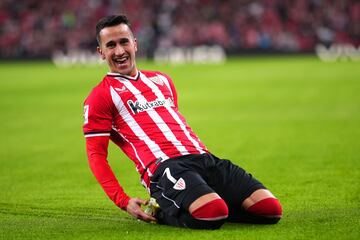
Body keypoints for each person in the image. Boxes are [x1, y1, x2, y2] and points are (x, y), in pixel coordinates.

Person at [83, 15, 282, 229]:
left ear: (135, 44)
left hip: (205, 159)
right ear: (101, 52)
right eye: (111, 45)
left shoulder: (162, 80)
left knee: (270, 210)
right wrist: (123, 201)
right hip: (166, 168)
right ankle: (160, 211)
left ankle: (209, 202)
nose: (120, 51)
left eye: (124, 42)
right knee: (213, 214)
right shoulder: (100, 96)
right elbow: (96, 155)